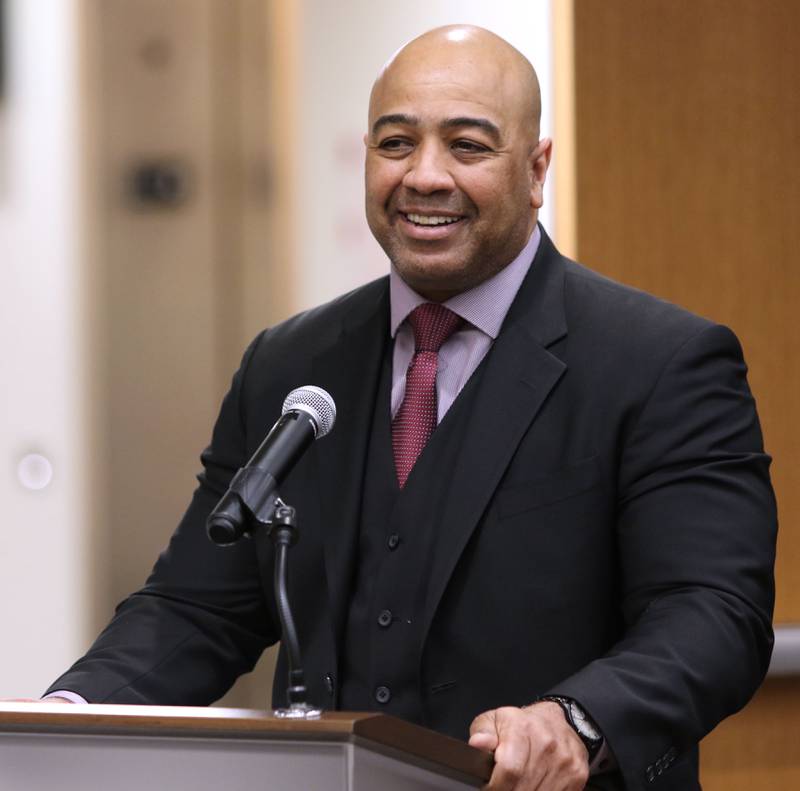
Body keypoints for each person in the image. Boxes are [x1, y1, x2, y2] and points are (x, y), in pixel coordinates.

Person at [41, 25, 776, 791]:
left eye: (467, 146)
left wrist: (576, 720)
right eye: (396, 143)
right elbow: (197, 608)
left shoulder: (660, 362)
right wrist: (62, 719)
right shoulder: (288, 364)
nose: (425, 176)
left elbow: (712, 612)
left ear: (536, 169)